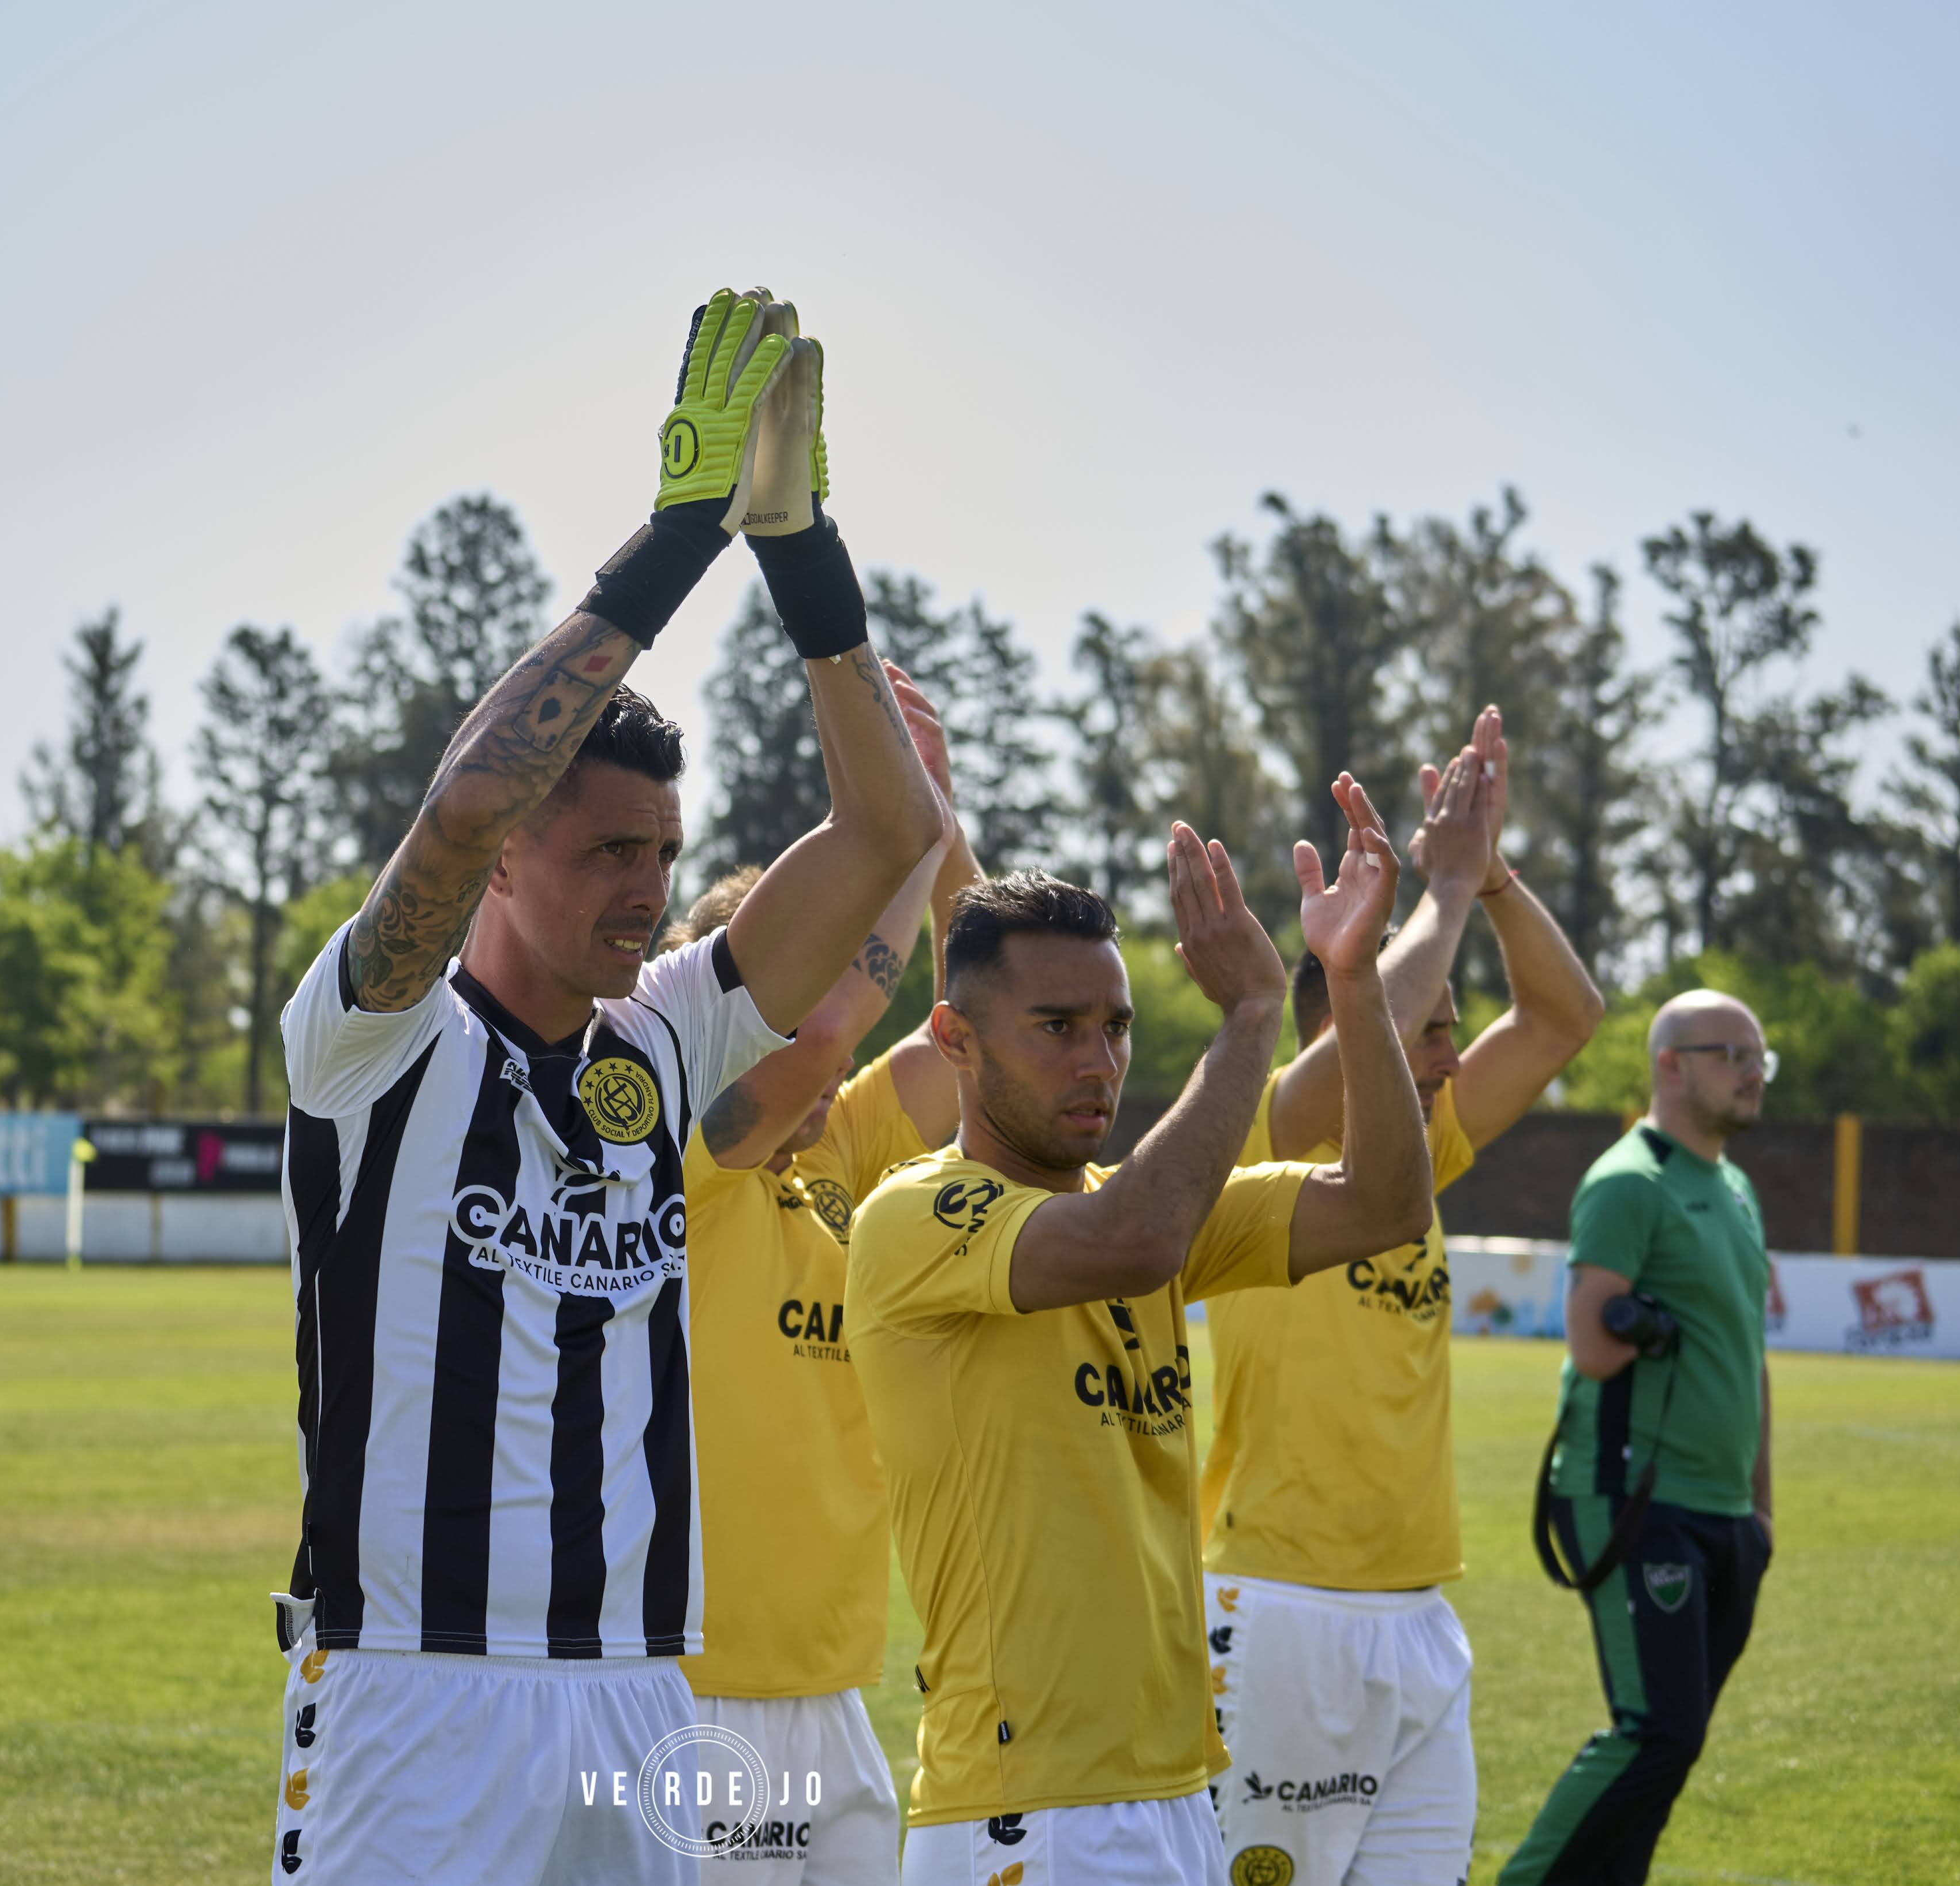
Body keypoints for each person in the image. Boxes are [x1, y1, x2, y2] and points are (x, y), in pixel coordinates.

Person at [268, 289, 949, 1883]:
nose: (644, 889)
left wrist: (800, 549)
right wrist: (678, 538)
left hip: (646, 1695)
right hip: (415, 1690)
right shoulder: (374, 1041)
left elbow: (886, 839)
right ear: (514, 856)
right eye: (604, 850)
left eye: (660, 852)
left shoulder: (662, 1042)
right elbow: (462, 798)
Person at [849, 780, 1435, 1886]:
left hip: (1171, 1792)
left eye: (1114, 1026)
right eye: (1057, 1027)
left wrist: (1350, 984)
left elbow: (1385, 1206)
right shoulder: (917, 1214)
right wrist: (1254, 1014)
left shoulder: (1135, 1202)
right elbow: (1134, 1238)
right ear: (953, 1039)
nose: (1098, 1060)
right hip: (1029, 1812)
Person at [1198, 708, 1604, 1883]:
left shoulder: (1423, 1147)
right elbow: (1391, 996)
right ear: (1344, 1020)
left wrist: (1494, 878)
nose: (1451, 1055)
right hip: (1281, 1606)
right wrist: (1443, 890)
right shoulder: (1270, 1126)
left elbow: (1567, 1016)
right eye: (1434, 1031)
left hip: (1419, 1615)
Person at [675, 682, 977, 1884]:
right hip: (699, 1703)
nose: (817, 1029)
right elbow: (823, 1038)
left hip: (838, 1691)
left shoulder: (847, 1148)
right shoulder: (683, 1161)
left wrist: (945, 828)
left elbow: (977, 1025)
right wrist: (904, 825)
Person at [1500, 989, 1777, 1886]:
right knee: (1657, 1728)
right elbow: (1591, 1342)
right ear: (1671, 1063)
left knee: (1671, 1745)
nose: (1753, 1069)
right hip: (1634, 1496)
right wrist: (1639, 1321)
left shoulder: (1734, 1186)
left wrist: (1761, 1510)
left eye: (1759, 1054)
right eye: (1731, 1051)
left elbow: (1749, 1353)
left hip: (1726, 1511)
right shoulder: (1630, 1179)